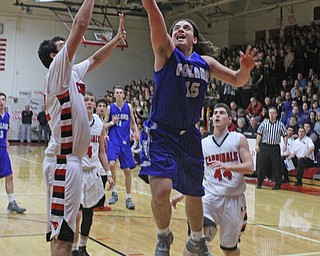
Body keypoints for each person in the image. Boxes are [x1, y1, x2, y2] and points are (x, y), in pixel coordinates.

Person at [139, 1, 261, 255]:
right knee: (161, 191)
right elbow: (153, 11)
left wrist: (245, 69)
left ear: (195, 39)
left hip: (189, 135)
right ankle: (164, 236)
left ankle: (197, 240)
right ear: (170, 37)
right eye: (176, 28)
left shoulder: (205, 62)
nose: (180, 29)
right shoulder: (165, 53)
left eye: (186, 27)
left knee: (194, 193)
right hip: (161, 132)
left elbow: (238, 80)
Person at [38, 0, 126, 253]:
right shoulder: (57, 70)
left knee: (70, 228)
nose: (70, 46)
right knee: (63, 235)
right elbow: (80, 24)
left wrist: (117, 39)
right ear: (54, 56)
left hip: (72, 163)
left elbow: (97, 59)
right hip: (63, 163)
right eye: (63, 46)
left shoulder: (72, 73)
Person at [172, 103, 254, 256]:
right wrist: (183, 194)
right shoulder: (204, 143)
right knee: (198, 238)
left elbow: (250, 167)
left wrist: (228, 167)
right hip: (209, 197)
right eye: (215, 113)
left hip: (234, 200)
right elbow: (198, 175)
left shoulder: (238, 139)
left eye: (222, 113)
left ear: (229, 119)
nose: (217, 115)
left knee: (229, 250)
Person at [72, 92, 114, 256]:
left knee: (89, 212)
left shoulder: (99, 124)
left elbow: (102, 151)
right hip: (77, 171)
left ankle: (83, 246)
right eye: (86, 100)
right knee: (77, 213)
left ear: (95, 105)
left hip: (93, 172)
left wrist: (109, 173)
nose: (89, 103)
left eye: (92, 100)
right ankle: (74, 248)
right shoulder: (75, 120)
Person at [105, 86, 140, 210]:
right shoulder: (110, 108)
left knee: (127, 171)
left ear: (123, 95)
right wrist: (111, 123)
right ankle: (114, 192)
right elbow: (104, 125)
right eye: (117, 93)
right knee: (112, 164)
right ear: (114, 95)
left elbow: (133, 122)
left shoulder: (128, 107)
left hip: (125, 142)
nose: (119, 94)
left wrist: (136, 132)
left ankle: (128, 197)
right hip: (114, 141)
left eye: (121, 92)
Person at [0, 92, 26, 213]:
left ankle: (11, 202)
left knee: (9, 176)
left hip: (3, 149)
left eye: (3, 99)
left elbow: (6, 133)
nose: (1, 102)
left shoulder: (7, 116)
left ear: (5, 102)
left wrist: (7, 145)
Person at [255, 107, 288, 190]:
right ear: (268, 114)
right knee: (262, 165)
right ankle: (259, 183)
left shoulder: (280, 124)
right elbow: (259, 134)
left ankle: (277, 184)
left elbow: (285, 135)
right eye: (270, 113)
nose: (272, 114)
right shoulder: (264, 124)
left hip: (275, 148)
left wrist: (285, 145)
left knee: (276, 166)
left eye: (273, 113)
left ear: (276, 114)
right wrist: (256, 145)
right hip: (265, 146)